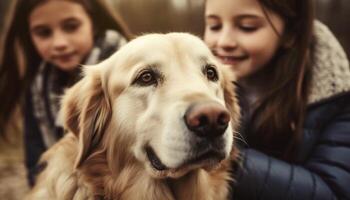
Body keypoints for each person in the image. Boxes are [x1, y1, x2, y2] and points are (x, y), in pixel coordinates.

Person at [204, 0, 350, 199]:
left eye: (247, 27)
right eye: (214, 26)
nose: (223, 41)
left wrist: (228, 158)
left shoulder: (339, 100)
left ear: (289, 34)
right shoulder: (201, 93)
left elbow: (334, 192)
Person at [0, 0, 132, 186]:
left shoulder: (131, 79)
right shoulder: (37, 87)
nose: (59, 43)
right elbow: (36, 165)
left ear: (93, 22)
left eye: (71, 27)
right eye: (44, 33)